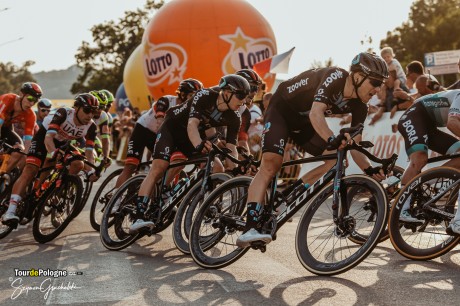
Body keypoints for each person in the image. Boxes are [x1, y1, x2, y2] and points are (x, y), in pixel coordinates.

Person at [236, 52, 390, 247]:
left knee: (337, 159)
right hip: (281, 110)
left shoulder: (361, 106)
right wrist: (332, 138)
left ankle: (286, 197)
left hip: (303, 122)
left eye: (381, 84)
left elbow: (355, 145)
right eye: (375, 82)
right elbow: (316, 112)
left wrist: (369, 169)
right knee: (270, 165)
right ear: (358, 76)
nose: (377, 89)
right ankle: (250, 227)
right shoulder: (336, 76)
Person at [128, 74, 249, 233]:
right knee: (159, 167)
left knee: (217, 168)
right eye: (240, 96)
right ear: (226, 92)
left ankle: (200, 203)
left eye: (246, 98)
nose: (243, 101)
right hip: (172, 129)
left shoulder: (234, 117)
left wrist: (235, 169)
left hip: (192, 137)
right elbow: (192, 124)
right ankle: (139, 214)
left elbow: (231, 148)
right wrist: (199, 144)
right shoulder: (204, 95)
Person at [2, 93, 100, 225]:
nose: (90, 115)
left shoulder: (91, 126)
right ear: (76, 108)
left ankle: (55, 191)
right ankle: (10, 211)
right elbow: (48, 138)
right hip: (44, 138)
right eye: (87, 110)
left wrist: (91, 171)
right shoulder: (63, 113)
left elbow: (89, 153)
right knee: (30, 169)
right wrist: (53, 153)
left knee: (78, 163)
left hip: (63, 143)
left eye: (93, 112)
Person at [111, 78, 203, 209]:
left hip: (162, 136)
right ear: (182, 94)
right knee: (131, 165)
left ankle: (159, 196)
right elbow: (161, 123)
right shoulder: (166, 101)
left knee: (168, 165)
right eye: (191, 95)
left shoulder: (190, 110)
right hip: (144, 130)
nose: (194, 99)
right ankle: (115, 199)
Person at [397, 89, 460, 223]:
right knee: (419, 158)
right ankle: (401, 208)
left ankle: (428, 182)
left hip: (430, 127)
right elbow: (452, 123)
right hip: (414, 115)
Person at [0, 82, 42, 175]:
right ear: (21, 94)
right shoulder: (8, 99)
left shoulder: (30, 115)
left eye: (35, 101)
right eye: (30, 98)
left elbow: (28, 141)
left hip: (6, 128)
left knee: (19, 150)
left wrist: (25, 151)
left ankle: (2, 174)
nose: (31, 103)